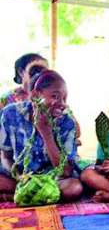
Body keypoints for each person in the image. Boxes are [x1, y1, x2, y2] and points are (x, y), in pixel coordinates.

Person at [0, 70, 82, 202]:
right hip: (19, 177)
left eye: (64, 98)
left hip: (52, 179)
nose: (62, 104)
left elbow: (65, 171)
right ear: (36, 95)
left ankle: (18, 196)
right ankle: (34, 193)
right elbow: (5, 156)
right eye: (55, 96)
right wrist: (19, 177)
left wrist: (46, 133)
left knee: (73, 188)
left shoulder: (67, 122)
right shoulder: (11, 113)